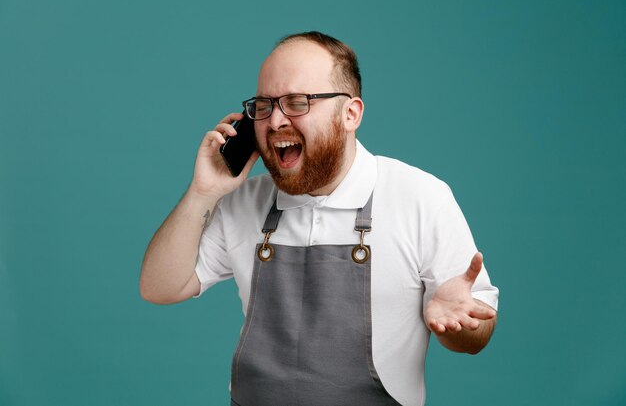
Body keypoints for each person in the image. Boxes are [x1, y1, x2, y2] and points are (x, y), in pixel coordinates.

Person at [140, 31, 499, 406]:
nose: (276, 120)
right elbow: (159, 287)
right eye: (264, 105)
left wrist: (457, 325)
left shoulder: (420, 197)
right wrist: (203, 192)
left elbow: (476, 332)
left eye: (297, 102)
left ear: (350, 114)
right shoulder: (243, 201)